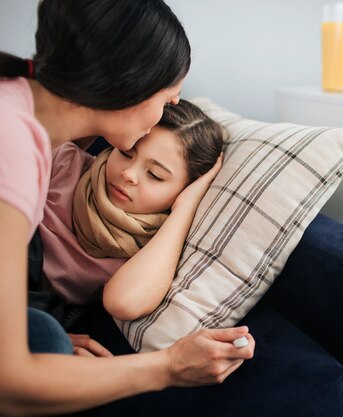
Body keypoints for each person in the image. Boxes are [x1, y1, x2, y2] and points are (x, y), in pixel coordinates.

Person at [0, 0, 254, 415]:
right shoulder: (12, 144)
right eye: (169, 100)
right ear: (129, 84)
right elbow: (9, 385)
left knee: (44, 337)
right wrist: (168, 366)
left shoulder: (21, 119)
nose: (163, 115)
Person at [36, 99, 224, 323]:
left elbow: (123, 303)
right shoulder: (63, 163)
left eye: (154, 174)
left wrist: (186, 207)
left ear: (183, 189)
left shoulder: (152, 250)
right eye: (126, 153)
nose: (129, 174)